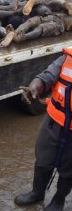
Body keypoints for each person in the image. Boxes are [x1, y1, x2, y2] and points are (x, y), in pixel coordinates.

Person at [14, 51, 72, 210]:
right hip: (53, 122)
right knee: (43, 159)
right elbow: (48, 75)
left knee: (69, 170)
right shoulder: (67, 59)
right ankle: (37, 193)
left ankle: (58, 200)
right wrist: (35, 86)